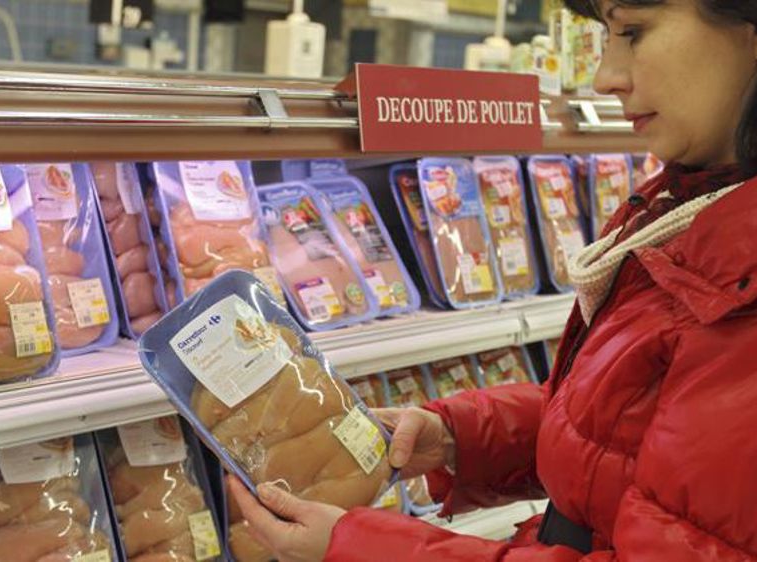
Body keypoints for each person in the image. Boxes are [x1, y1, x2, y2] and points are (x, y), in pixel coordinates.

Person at [228, 0, 757, 559]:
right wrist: (457, 438)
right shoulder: (689, 208)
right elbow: (628, 439)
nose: (606, 77)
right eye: (606, 36)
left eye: (632, 31)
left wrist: (358, 547)